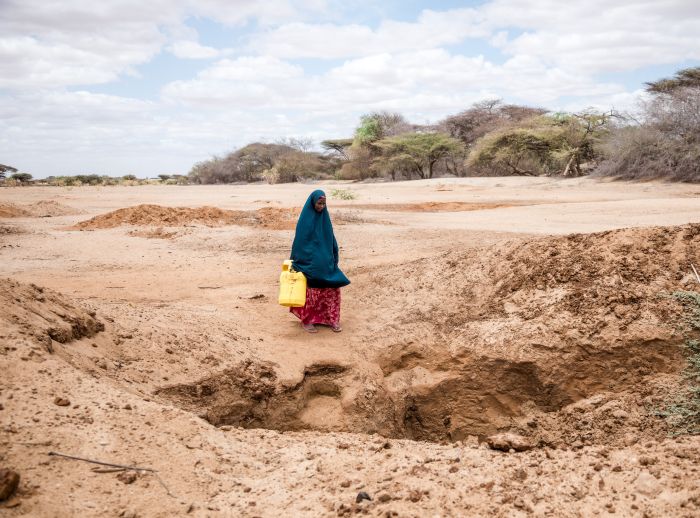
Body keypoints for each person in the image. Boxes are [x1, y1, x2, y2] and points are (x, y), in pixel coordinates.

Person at [289, 190, 350, 333]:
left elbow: (331, 239)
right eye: (319, 203)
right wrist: (297, 262)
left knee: (332, 289)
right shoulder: (305, 220)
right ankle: (308, 320)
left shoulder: (325, 219)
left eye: (324, 204)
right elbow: (299, 242)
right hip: (310, 264)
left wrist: (334, 256)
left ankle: (332, 320)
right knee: (312, 291)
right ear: (313, 202)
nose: (321, 206)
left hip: (326, 263)